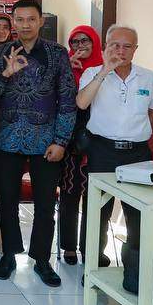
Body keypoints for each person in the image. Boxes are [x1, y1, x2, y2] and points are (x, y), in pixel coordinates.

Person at [0, 0, 76, 287]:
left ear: (40, 21)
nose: (25, 25)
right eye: (19, 20)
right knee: (7, 200)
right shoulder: (0, 53)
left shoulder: (57, 54)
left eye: (30, 19)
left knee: (45, 204)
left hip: (45, 139)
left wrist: (61, 140)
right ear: (13, 23)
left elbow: (68, 100)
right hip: (8, 138)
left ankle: (42, 260)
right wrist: (5, 74)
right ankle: (9, 255)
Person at [74, 25, 153, 271]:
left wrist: (133, 131)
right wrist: (105, 71)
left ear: (135, 49)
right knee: (97, 210)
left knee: (137, 213)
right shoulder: (93, 72)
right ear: (105, 46)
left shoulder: (149, 77)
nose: (120, 51)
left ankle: (134, 267)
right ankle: (93, 265)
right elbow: (81, 103)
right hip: (102, 149)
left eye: (127, 46)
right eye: (114, 45)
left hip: (137, 153)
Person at [57, 24, 104, 265]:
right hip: (71, 142)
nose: (80, 46)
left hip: (100, 143)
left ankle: (92, 247)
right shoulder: (63, 67)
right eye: (75, 42)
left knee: (98, 200)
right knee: (69, 195)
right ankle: (68, 247)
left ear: (96, 44)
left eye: (85, 41)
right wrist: (68, 72)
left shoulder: (106, 70)